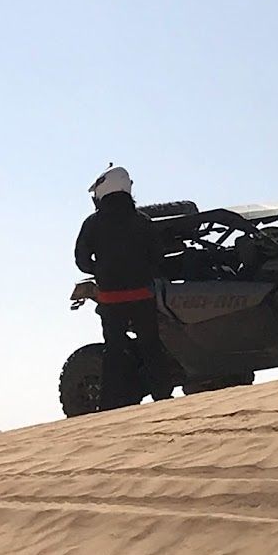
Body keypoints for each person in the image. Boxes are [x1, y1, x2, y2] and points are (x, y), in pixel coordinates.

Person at [75, 165, 172, 409]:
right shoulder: (142, 221)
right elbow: (158, 256)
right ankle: (162, 395)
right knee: (151, 345)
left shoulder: (93, 223)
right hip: (142, 295)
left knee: (114, 350)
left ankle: (110, 404)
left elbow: (81, 259)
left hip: (111, 298)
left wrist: (100, 271)